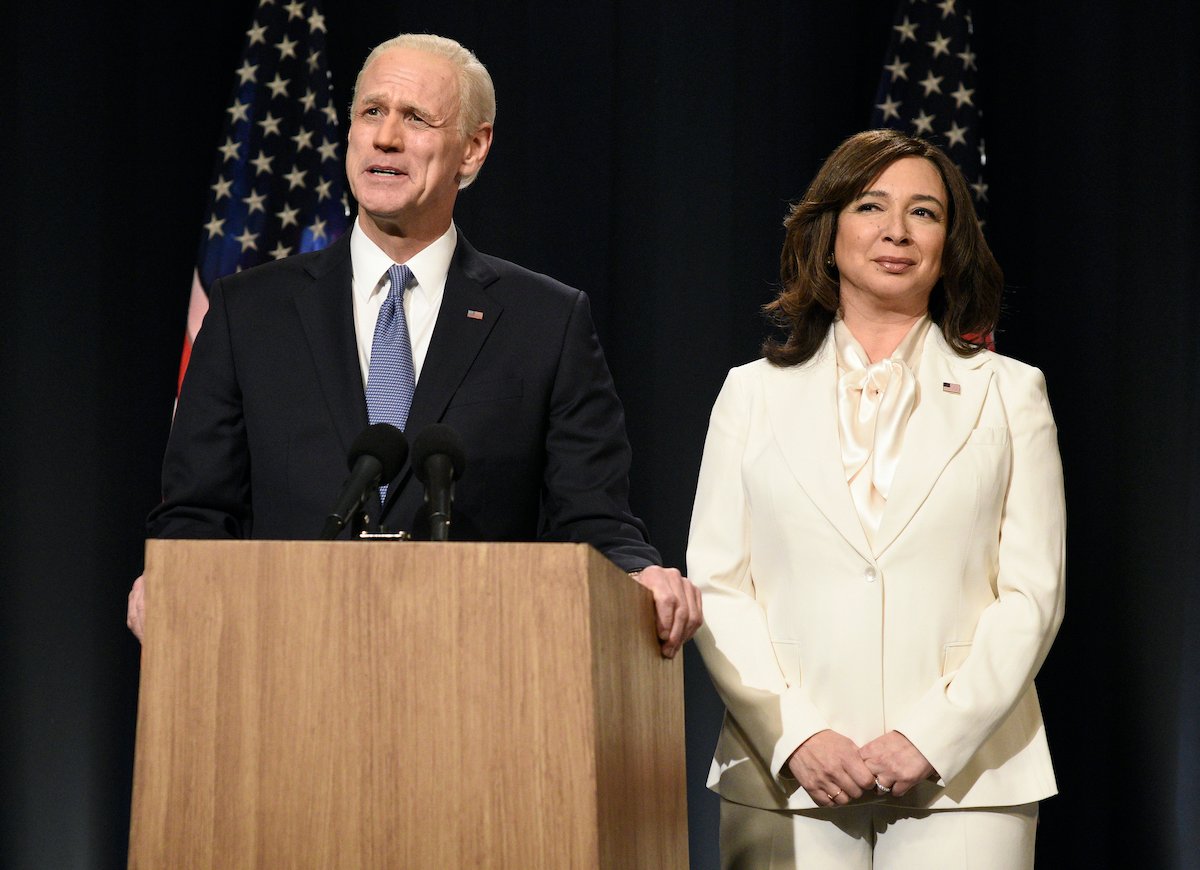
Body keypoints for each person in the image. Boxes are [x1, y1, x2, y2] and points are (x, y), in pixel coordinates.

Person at [127, 33, 700, 658]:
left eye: (416, 119)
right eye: (372, 111)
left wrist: (641, 574)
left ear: (473, 150)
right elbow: (197, 513)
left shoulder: (546, 322)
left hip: (473, 673)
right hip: (283, 665)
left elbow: (592, 519)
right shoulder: (248, 312)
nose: (386, 137)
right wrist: (171, 579)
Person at [688, 129, 1065, 868]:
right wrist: (796, 734)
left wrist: (933, 736)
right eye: (871, 205)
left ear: (949, 242)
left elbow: (1033, 594)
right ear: (828, 232)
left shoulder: (1011, 392)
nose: (897, 230)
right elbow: (718, 585)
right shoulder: (750, 393)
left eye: (924, 212)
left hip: (969, 784)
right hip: (785, 774)